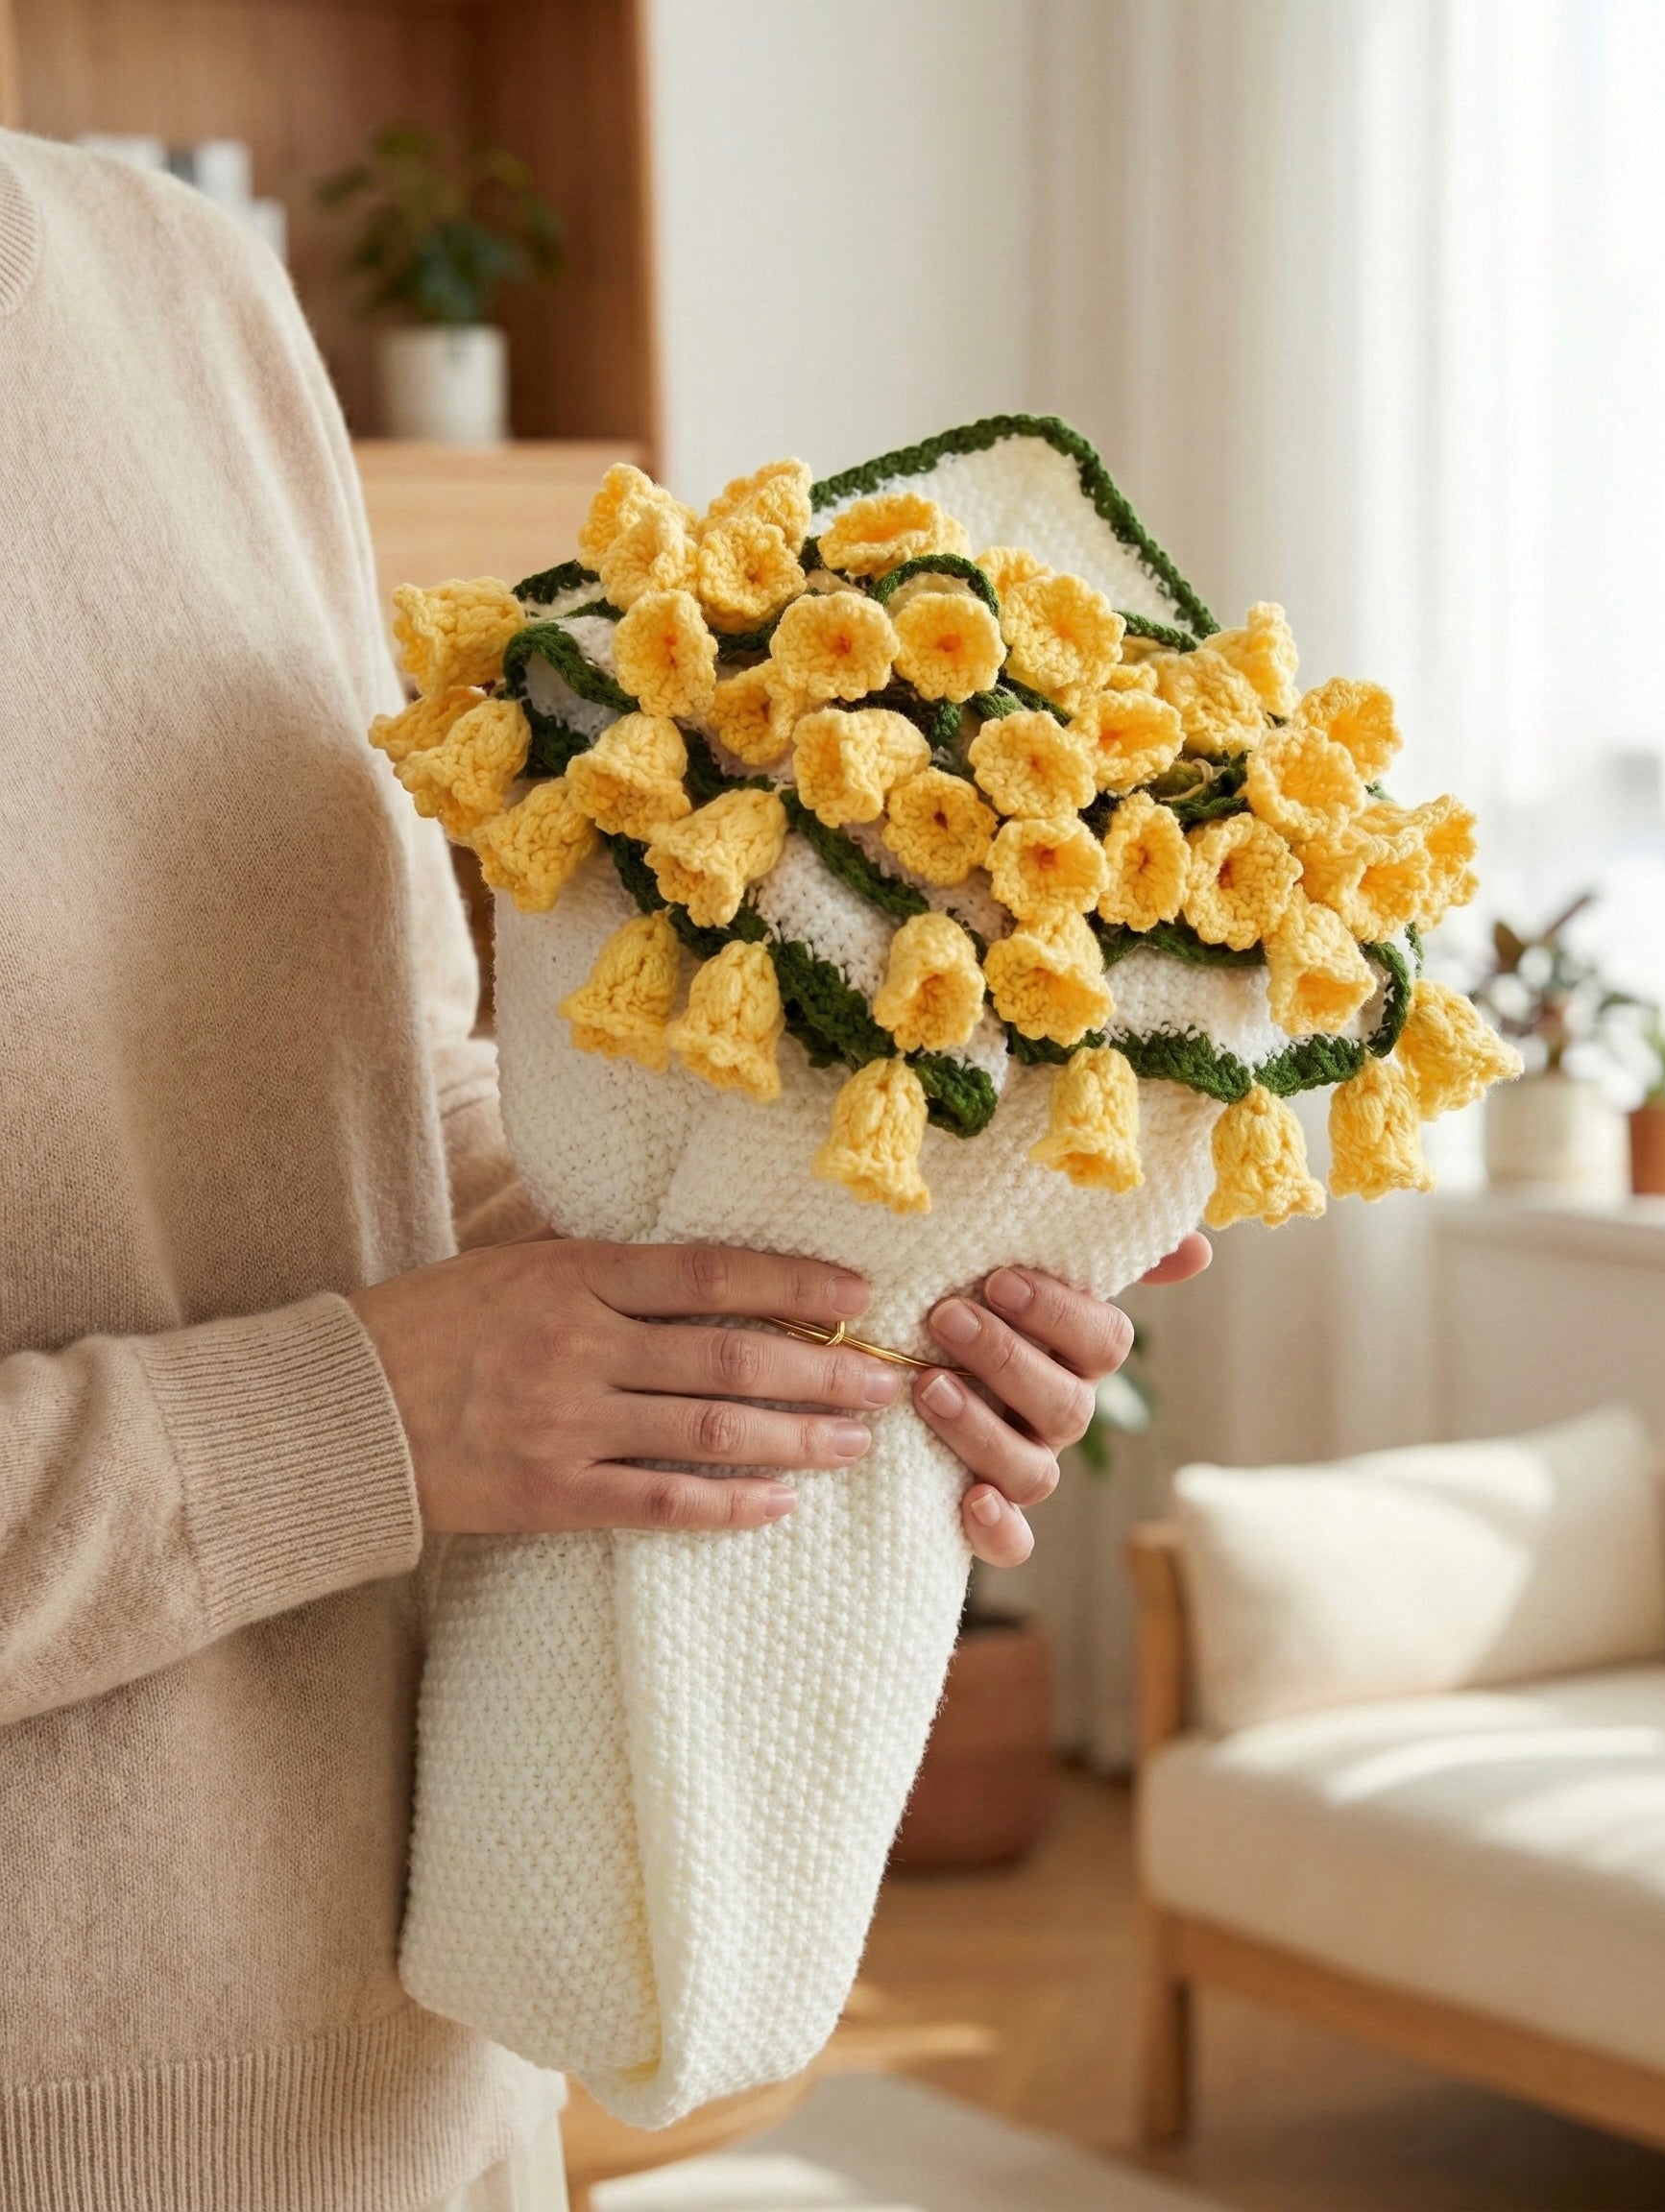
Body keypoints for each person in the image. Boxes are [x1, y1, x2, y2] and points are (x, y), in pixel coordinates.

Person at [0, 131, 1210, 2212]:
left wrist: (822, 1274)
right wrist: (368, 1412)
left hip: (423, 2076)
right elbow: (372, 1368)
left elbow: (378, 1096)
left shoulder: (180, 286)